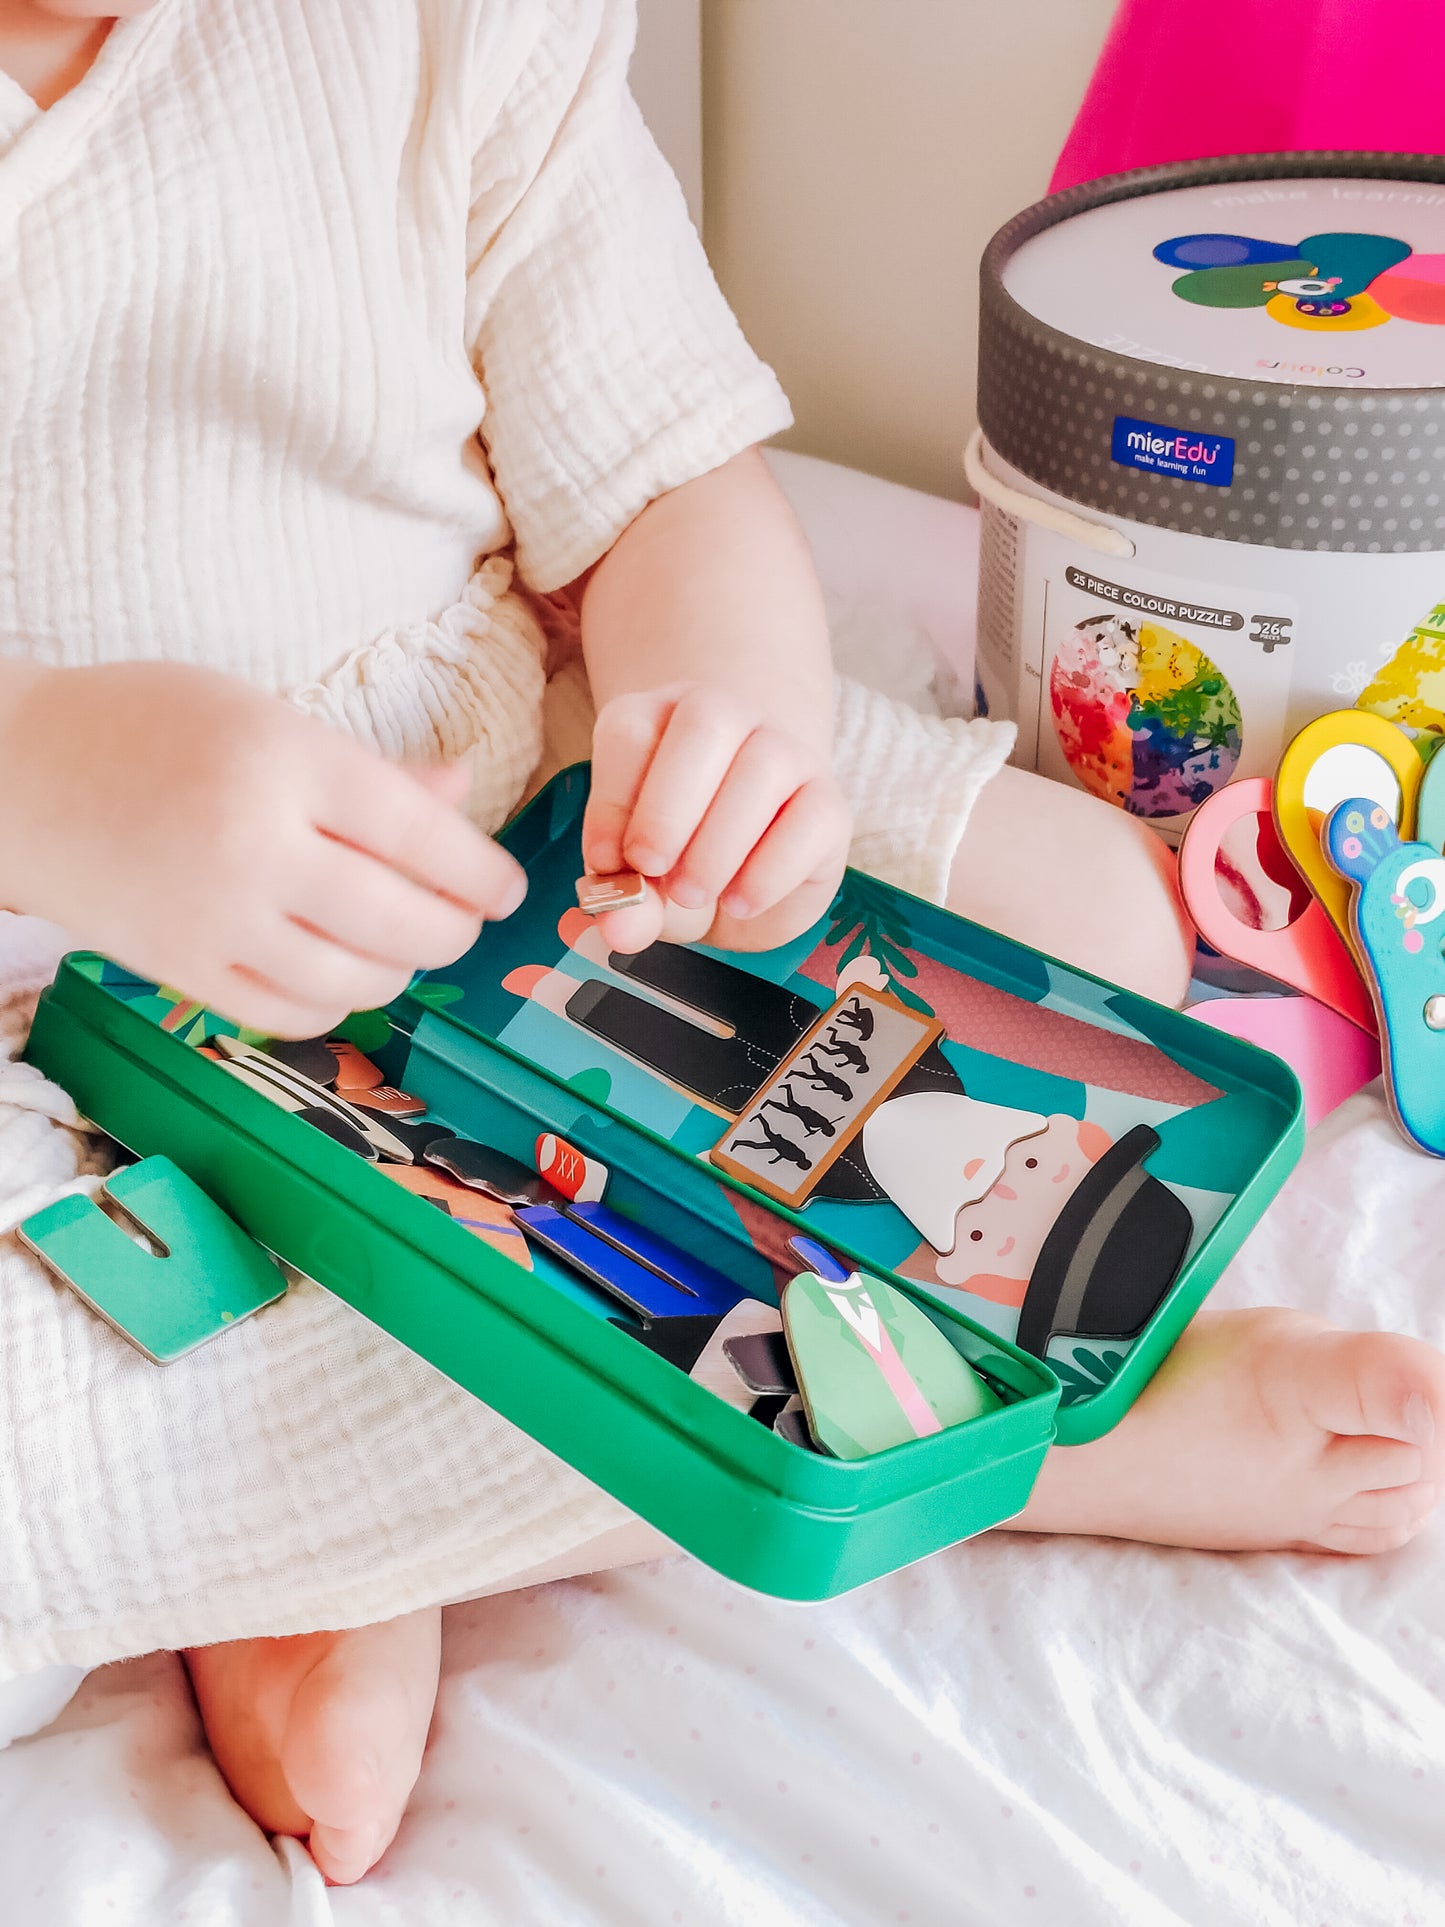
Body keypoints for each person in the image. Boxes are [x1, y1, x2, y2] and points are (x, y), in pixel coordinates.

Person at [1, 0, 1441, 1888]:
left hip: (520, 796)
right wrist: (48, 780)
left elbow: (666, 491)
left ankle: (354, 1515)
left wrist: (723, 716)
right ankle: (982, 1451)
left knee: (1094, 918)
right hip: (53, 1011)